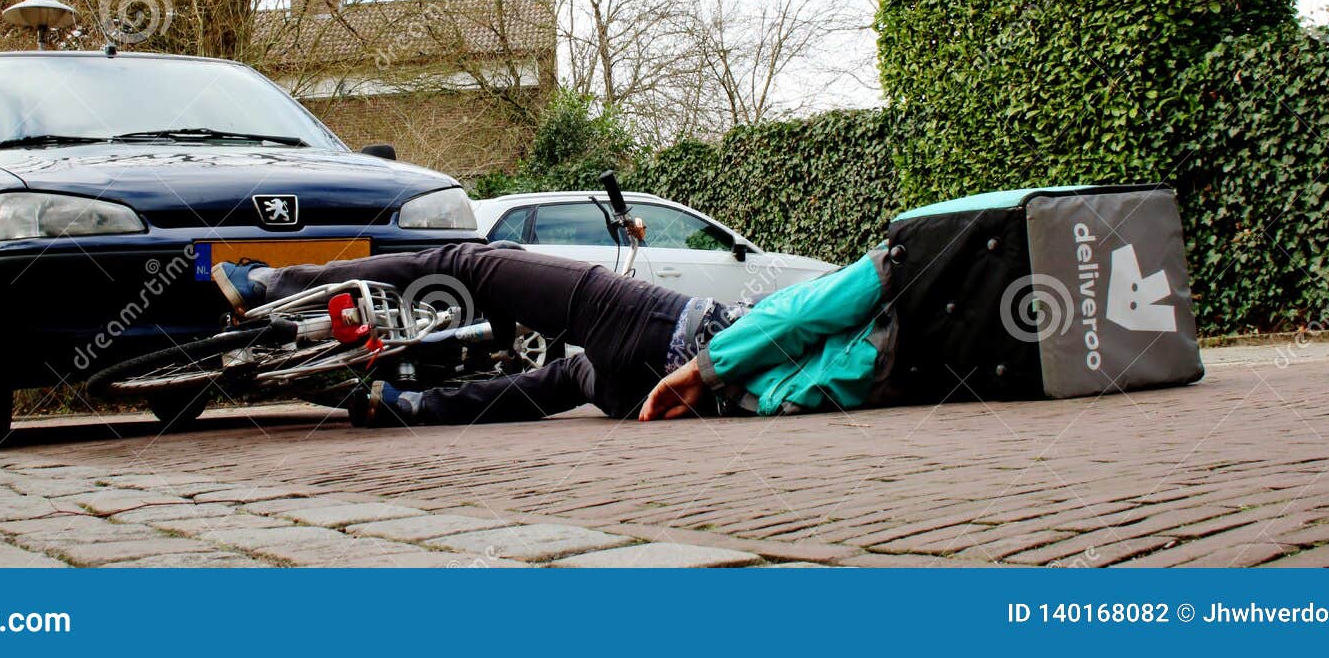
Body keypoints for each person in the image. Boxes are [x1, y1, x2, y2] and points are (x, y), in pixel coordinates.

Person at [211, 236, 889, 427]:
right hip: (668, 401)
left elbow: (797, 315)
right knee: (565, 376)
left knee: (464, 261)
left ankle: (273, 285)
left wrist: (703, 366)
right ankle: (405, 406)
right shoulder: (922, 369)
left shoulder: (906, 273)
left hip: (672, 341)